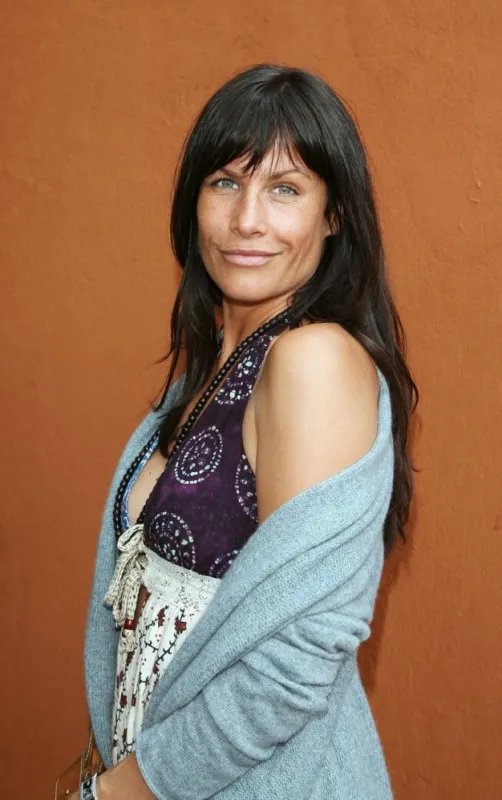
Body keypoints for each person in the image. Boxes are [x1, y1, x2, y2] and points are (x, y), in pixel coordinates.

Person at [62, 63, 418, 799]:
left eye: (285, 189)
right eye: (225, 182)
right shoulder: (211, 371)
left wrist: (120, 792)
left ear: (334, 215)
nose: (247, 219)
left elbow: (294, 660)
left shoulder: (312, 360)